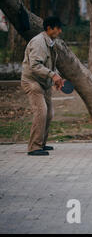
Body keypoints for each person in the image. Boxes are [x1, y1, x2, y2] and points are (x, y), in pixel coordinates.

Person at [21, 16, 65, 156]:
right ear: (49, 28)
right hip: (32, 82)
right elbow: (34, 66)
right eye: (58, 28)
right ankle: (34, 147)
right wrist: (52, 75)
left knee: (49, 113)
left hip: (44, 83)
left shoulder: (51, 42)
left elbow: (50, 65)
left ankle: (41, 143)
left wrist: (56, 78)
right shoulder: (39, 42)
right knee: (41, 112)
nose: (60, 31)